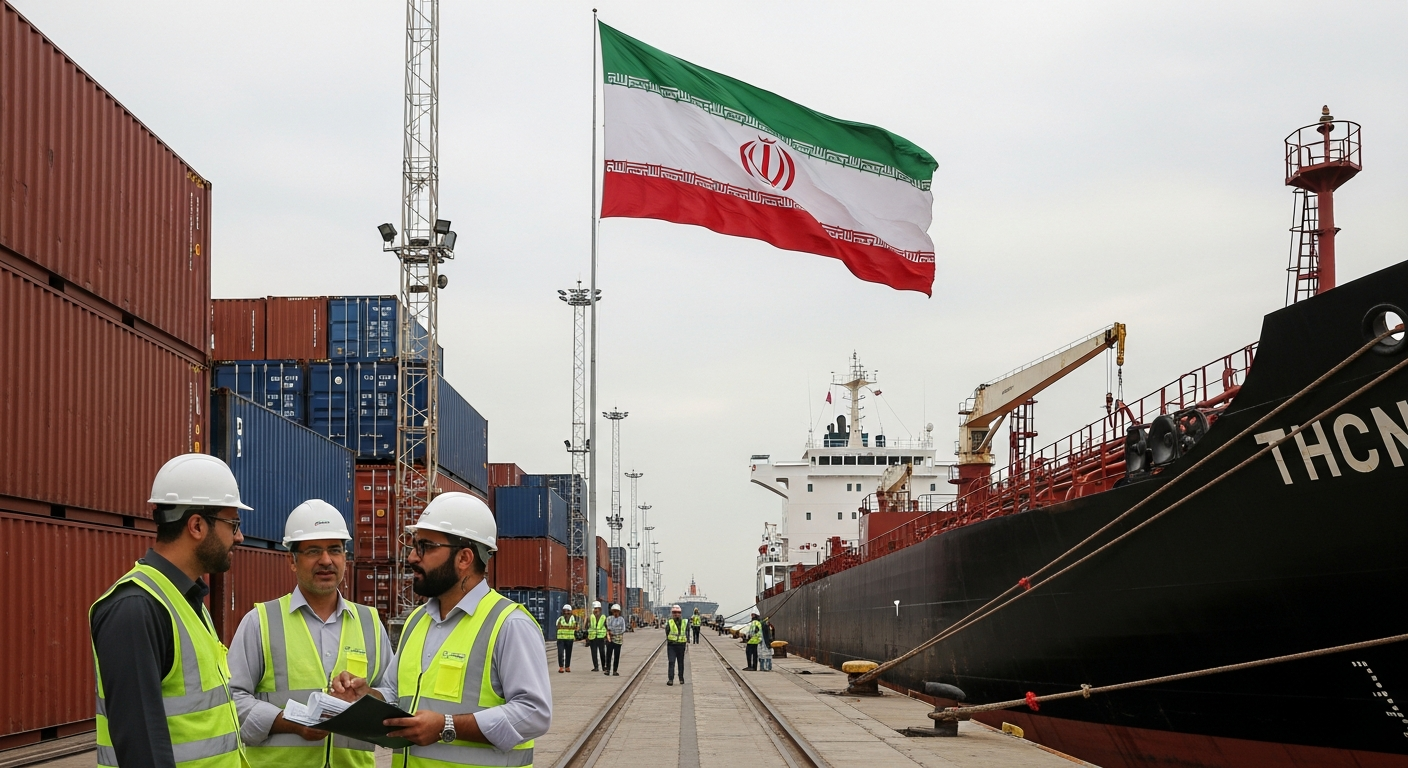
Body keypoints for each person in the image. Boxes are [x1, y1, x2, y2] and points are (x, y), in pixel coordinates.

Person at [341, 492, 551, 765]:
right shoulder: (417, 620)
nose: (413, 557)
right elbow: (395, 693)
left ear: (464, 558)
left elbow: (534, 714)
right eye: (414, 545)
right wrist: (366, 696)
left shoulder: (509, 625)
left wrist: (447, 726)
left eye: (425, 546)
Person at [89, 453, 249, 768]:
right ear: (197, 526)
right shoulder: (136, 609)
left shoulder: (188, 600)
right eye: (234, 524)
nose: (239, 537)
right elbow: (141, 748)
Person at [229, 500, 392, 767]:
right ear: (291, 561)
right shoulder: (261, 622)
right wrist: (289, 723)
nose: (326, 560)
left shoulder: (370, 623)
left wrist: (369, 695)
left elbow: (393, 696)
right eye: (313, 550)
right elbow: (232, 700)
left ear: (345, 558)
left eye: (335, 550)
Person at [665, 605, 689, 686]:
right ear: (672, 613)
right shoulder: (670, 622)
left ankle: (681, 678)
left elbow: (687, 631)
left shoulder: (685, 622)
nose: (676, 614)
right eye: (674, 613)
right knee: (671, 662)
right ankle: (670, 679)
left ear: (680, 613)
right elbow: (667, 631)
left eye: (678, 613)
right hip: (671, 645)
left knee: (680, 662)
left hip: (681, 645)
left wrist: (687, 640)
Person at [603, 604, 627, 676]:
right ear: (612, 612)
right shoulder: (609, 618)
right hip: (610, 640)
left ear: (619, 612)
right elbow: (609, 627)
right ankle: (608, 669)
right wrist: (615, 631)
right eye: (614, 611)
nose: (616, 613)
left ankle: (615, 670)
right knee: (608, 655)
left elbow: (623, 629)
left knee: (617, 655)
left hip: (618, 640)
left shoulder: (621, 619)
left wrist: (615, 632)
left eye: (617, 611)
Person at [586, 601, 607, 671]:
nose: (596, 610)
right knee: (594, 653)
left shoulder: (603, 617)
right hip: (592, 638)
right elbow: (586, 627)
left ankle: (604, 666)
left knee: (602, 652)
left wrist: (607, 637)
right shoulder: (590, 617)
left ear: (600, 609)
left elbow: (607, 627)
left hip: (601, 637)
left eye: (597, 608)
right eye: (595, 609)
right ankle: (596, 667)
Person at [556, 604, 577, 673]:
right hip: (561, 639)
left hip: (569, 639)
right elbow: (558, 626)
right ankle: (561, 667)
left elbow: (575, 627)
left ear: (570, 612)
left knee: (568, 653)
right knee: (560, 653)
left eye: (568, 611)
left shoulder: (573, 619)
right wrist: (568, 627)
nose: (566, 612)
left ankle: (567, 666)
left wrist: (564, 627)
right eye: (565, 611)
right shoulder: (560, 619)